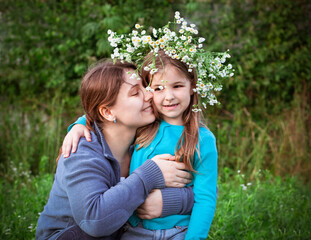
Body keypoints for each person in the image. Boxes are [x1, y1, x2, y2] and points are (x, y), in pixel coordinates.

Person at [36, 60, 194, 240]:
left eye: (146, 86)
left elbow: (204, 188)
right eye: (135, 93)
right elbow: (94, 222)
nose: (149, 95)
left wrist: (169, 202)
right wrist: (149, 175)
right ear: (108, 113)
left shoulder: (149, 136)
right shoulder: (82, 151)